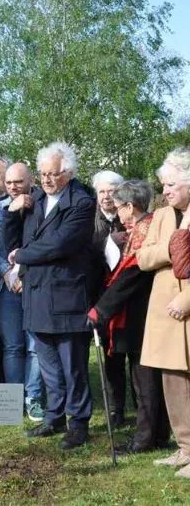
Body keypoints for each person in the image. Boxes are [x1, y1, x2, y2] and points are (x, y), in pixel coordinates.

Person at [5, 142, 97, 450]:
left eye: (53, 174)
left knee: (73, 365)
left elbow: (59, 245)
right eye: (42, 173)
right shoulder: (36, 199)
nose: (46, 179)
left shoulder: (81, 203)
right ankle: (54, 416)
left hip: (67, 297)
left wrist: (23, 256)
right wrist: (11, 211)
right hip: (36, 295)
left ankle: (79, 422)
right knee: (47, 365)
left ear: (68, 173)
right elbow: (13, 241)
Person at [87, 180, 169, 455]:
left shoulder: (145, 230)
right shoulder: (139, 229)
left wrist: (100, 309)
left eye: (120, 207)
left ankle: (146, 438)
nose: (118, 213)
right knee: (146, 378)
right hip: (140, 312)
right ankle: (155, 434)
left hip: (142, 314)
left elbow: (131, 275)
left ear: (130, 207)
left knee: (144, 379)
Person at [136, 148, 190, 477]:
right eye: (163, 185)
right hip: (165, 314)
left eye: (170, 185)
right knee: (173, 381)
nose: (165, 191)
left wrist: (188, 301)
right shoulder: (161, 216)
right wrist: (170, 248)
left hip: (185, 308)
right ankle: (185, 447)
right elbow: (143, 258)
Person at [0, 162, 45, 421]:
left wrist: (24, 274)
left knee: (35, 345)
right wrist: (6, 272)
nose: (12, 187)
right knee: (12, 345)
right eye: (9, 182)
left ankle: (33, 397)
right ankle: (12, 401)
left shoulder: (41, 207)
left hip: (34, 284)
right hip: (5, 286)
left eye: (18, 182)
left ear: (30, 180)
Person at [91, 169, 129, 427]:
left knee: (132, 353)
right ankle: (116, 409)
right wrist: (109, 242)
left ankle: (141, 405)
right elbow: (85, 248)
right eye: (102, 191)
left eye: (111, 191)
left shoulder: (129, 216)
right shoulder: (89, 220)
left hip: (129, 294)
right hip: (100, 295)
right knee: (109, 353)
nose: (106, 197)